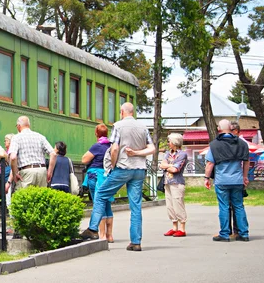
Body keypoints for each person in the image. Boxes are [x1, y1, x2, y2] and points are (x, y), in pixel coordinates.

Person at [80, 102, 155, 252]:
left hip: (123, 168)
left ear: (122, 112)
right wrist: (137, 153)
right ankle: (135, 242)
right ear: (132, 112)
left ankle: (93, 229)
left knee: (101, 194)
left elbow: (114, 148)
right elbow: (152, 148)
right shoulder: (143, 127)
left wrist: (113, 166)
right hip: (139, 170)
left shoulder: (118, 126)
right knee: (135, 206)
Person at [205, 119, 250, 242]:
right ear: (231, 127)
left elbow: (210, 163)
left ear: (219, 128)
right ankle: (244, 233)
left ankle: (224, 234)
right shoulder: (242, 143)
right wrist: (245, 177)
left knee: (224, 207)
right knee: (239, 206)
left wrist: (206, 178)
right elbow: (246, 162)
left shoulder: (214, 144)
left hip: (222, 181)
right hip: (237, 180)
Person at [81, 124, 114, 242]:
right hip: (108, 176)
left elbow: (84, 159)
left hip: (95, 176)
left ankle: (102, 235)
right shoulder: (111, 146)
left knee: (99, 203)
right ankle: (110, 236)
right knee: (107, 205)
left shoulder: (97, 146)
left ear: (96, 133)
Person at [9, 116, 56, 189]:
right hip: (42, 171)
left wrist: (15, 173)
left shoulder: (16, 138)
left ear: (18, 126)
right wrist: (49, 172)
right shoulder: (40, 136)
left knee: (23, 198)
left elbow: (13, 157)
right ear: (29, 125)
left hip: (26, 172)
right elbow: (53, 154)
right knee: (40, 198)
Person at [159, 133, 188, 237]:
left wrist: (168, 166)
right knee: (170, 205)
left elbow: (175, 169)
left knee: (178, 204)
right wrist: (169, 165)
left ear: (175, 143)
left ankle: (182, 228)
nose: (168, 143)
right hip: (167, 182)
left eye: (169, 141)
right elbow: (162, 164)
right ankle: (174, 226)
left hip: (177, 182)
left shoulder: (182, 154)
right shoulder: (167, 153)